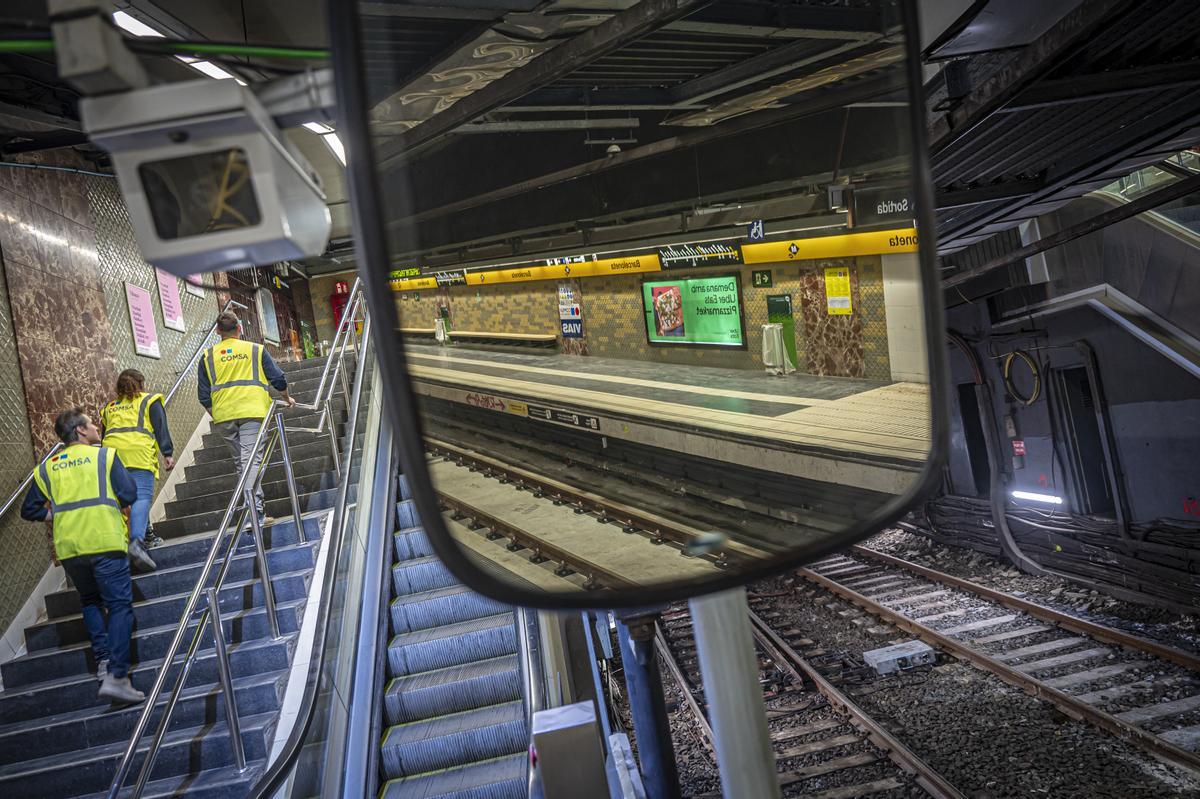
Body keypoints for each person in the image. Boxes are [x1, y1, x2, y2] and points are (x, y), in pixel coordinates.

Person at [21, 407, 144, 704]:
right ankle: (117, 675)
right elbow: (128, 494)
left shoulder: (47, 468)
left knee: (90, 601)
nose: (95, 427)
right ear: (80, 431)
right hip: (104, 541)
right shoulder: (104, 456)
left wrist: (54, 514)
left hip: (71, 549)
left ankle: (103, 660)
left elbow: (30, 509)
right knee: (118, 607)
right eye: (90, 423)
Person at [197, 312, 295, 528]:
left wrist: (219, 414)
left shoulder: (207, 356)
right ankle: (254, 514)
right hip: (252, 412)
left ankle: (256, 512)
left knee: (243, 464)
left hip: (224, 416)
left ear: (217, 331)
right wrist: (286, 398)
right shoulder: (255, 350)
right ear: (239, 328)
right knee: (249, 462)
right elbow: (278, 378)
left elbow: (203, 396)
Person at [100, 369, 175, 572]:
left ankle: (143, 535)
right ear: (141, 383)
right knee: (141, 497)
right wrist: (167, 453)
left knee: (124, 500)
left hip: (110, 456)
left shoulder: (110, 407)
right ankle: (137, 541)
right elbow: (161, 427)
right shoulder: (150, 400)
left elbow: (104, 434)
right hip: (137, 453)